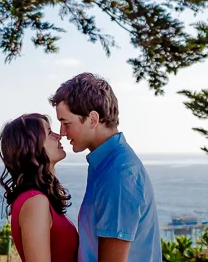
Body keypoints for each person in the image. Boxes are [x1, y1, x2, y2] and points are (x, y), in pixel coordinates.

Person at [51, 73, 161, 262]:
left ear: (93, 119)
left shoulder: (118, 175)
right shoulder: (106, 164)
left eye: (66, 123)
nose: (62, 132)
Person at [0, 113, 79, 262]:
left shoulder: (38, 199)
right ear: (32, 146)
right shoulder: (35, 202)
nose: (58, 135)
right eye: (49, 132)